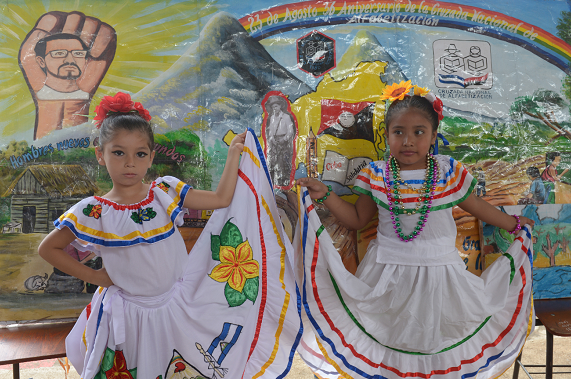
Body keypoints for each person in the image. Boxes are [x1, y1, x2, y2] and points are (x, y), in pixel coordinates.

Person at [38, 93, 299, 378]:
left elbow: (222, 198)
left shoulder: (164, 193)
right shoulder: (93, 211)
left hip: (174, 308)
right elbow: (48, 249)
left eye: (139, 154)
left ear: (151, 157)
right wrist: (97, 277)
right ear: (100, 155)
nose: (129, 163)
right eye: (118, 152)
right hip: (130, 316)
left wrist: (234, 155)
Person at [296, 83, 535, 379]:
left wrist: (514, 225)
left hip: (440, 276)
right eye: (399, 132)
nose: (408, 141)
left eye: (419, 132)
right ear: (387, 135)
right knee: (387, 344)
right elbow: (357, 219)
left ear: (433, 136)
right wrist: (323, 195)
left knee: (436, 344)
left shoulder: (448, 172)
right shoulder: (378, 175)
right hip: (386, 278)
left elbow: (477, 206)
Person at [19, 11, 116, 139]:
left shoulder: (83, 89)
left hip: (77, 151)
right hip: (43, 152)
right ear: (41, 61)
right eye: (59, 54)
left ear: (86, 60)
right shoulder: (41, 87)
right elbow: (29, 59)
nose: (70, 60)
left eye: (78, 54)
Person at [264, 94, 296, 187]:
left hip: (285, 142)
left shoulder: (286, 117)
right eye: (273, 107)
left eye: (276, 106)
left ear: (280, 106)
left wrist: (284, 139)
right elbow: (270, 131)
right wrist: (272, 139)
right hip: (274, 142)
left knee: (284, 161)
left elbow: (290, 131)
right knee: (273, 161)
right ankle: (273, 182)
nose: (275, 108)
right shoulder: (271, 118)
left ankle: (284, 182)